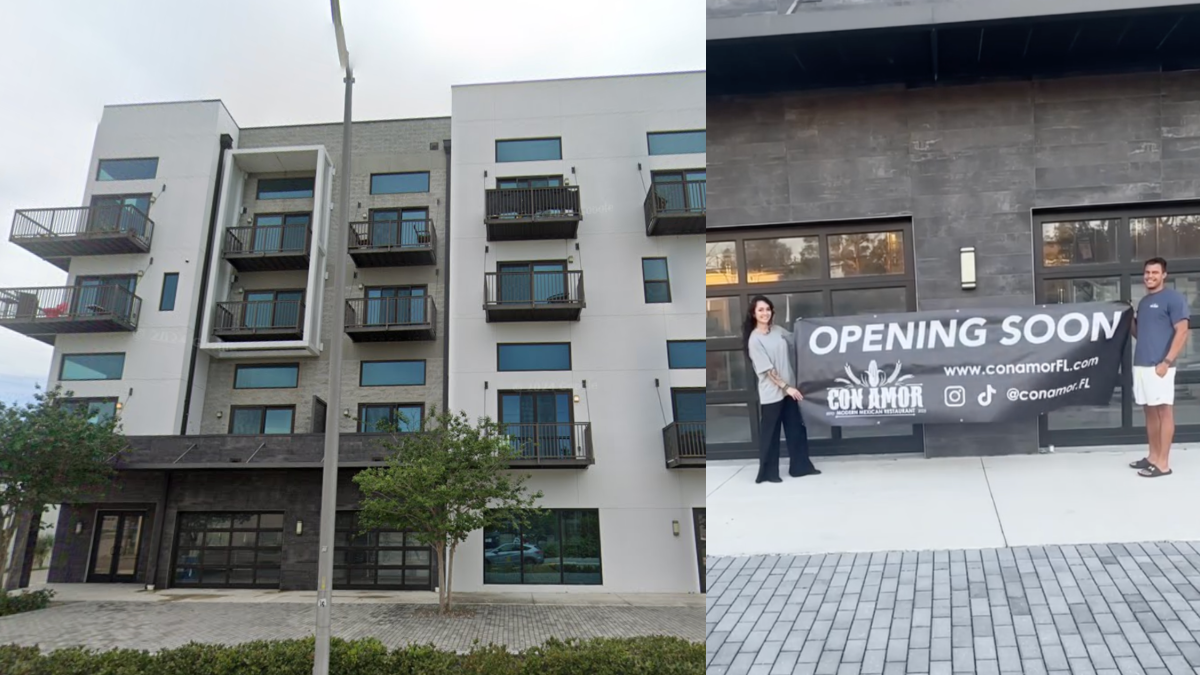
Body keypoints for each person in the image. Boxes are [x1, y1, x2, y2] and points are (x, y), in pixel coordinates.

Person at [744, 295, 819, 483]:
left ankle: (800, 467)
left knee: (796, 430)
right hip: (773, 394)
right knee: (771, 435)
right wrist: (787, 388)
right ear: (753, 313)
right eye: (760, 310)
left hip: (790, 390)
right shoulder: (754, 340)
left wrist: (805, 326)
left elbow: (799, 341)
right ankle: (769, 474)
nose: (765, 313)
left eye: (767, 309)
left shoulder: (778, 331)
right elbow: (768, 370)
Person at [1129, 257, 1190, 478]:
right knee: (1149, 412)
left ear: (1164, 275)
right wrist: (1129, 319)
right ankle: (1153, 456)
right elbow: (1140, 334)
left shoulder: (1173, 299)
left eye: (1155, 273)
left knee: (1164, 411)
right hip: (1142, 364)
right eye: (1147, 273)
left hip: (1160, 366)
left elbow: (1182, 330)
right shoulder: (1144, 302)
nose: (1150, 276)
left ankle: (1163, 464)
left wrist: (1166, 362)